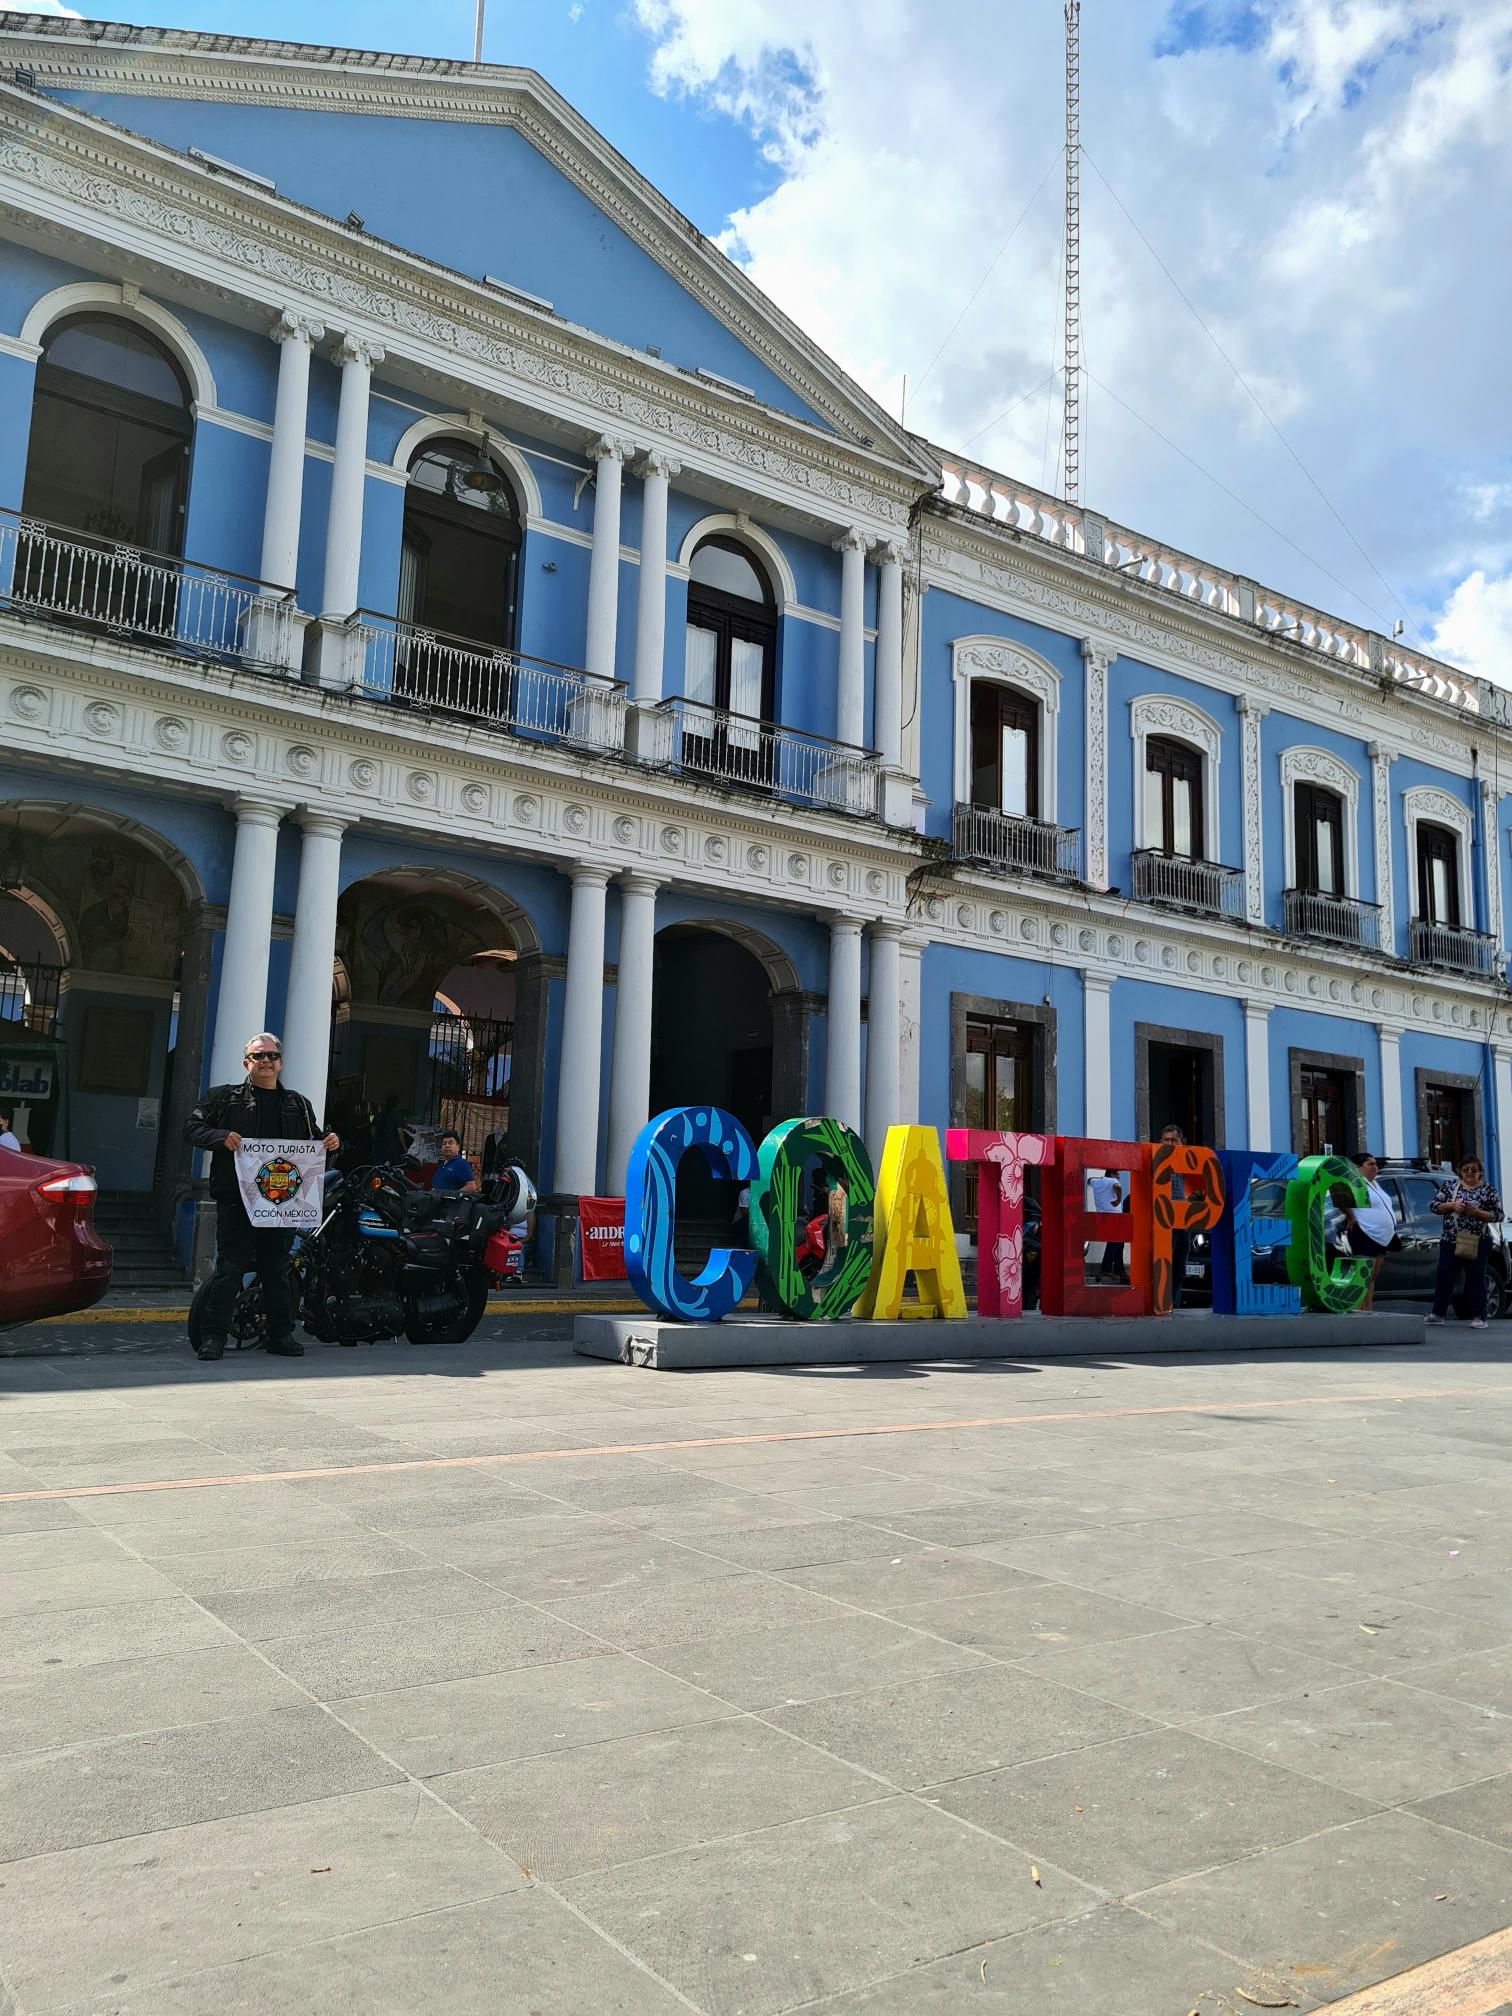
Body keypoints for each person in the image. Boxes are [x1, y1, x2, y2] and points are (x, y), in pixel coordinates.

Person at [184, 1032, 339, 1362]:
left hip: (282, 1204)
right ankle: (213, 1338)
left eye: (271, 1055)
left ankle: (280, 1335)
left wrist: (330, 1141)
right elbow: (191, 1129)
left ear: (280, 1062)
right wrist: (220, 1136)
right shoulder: (223, 1099)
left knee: (277, 1269)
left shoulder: (297, 1103)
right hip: (237, 1199)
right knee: (229, 1270)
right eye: (258, 1056)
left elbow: (314, 1141)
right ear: (246, 1063)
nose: (265, 1060)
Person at [1426, 1154, 1502, 1329]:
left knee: (1476, 1278)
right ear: (1460, 1171)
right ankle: (1438, 1314)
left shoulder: (1488, 1190)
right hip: (1450, 1240)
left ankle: (1479, 1317)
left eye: (1473, 1170)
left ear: (1480, 1173)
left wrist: (1477, 1213)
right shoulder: (1450, 1187)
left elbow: (1498, 1215)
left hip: (1477, 1240)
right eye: (1465, 1169)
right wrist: (1452, 1206)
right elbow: (1434, 1206)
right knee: (1445, 1276)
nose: (1469, 1172)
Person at [1341, 1153, 1396, 1312]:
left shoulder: (1375, 1184)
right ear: (1358, 1168)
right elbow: (1341, 1199)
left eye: (1375, 1164)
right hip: (1365, 1234)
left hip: (1381, 1238)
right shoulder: (1353, 1183)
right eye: (1369, 1164)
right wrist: (1350, 1216)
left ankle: (1368, 1310)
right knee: (1362, 1276)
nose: (1374, 1167)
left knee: (1372, 1277)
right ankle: (1358, 1310)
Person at [1159, 1123, 1189, 1310]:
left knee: (1179, 1267)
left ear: (1182, 1143)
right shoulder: (1157, 1163)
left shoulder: (1189, 1163)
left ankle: (1175, 1303)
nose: (1170, 1144)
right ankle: (1161, 1302)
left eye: (1174, 1140)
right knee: (1164, 1266)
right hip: (1163, 1221)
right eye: (1166, 1140)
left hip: (1183, 1222)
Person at [1088, 1169, 1124, 1280]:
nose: (1118, 1176)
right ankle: (1106, 1268)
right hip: (1114, 1217)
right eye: (1117, 1174)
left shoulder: (1096, 1182)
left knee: (1118, 1242)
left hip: (1102, 1217)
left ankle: (1119, 1269)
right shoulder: (1112, 1180)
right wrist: (1118, 1200)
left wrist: (1100, 1179)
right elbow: (1118, 1187)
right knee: (1115, 1242)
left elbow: (1089, 1180)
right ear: (1112, 1174)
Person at [430, 1130, 479, 1194]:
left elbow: (471, 1187)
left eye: (450, 1143)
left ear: (458, 1147)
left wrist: (453, 1196)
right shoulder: (441, 1165)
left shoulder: (461, 1164)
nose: (447, 1146)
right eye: (444, 1143)